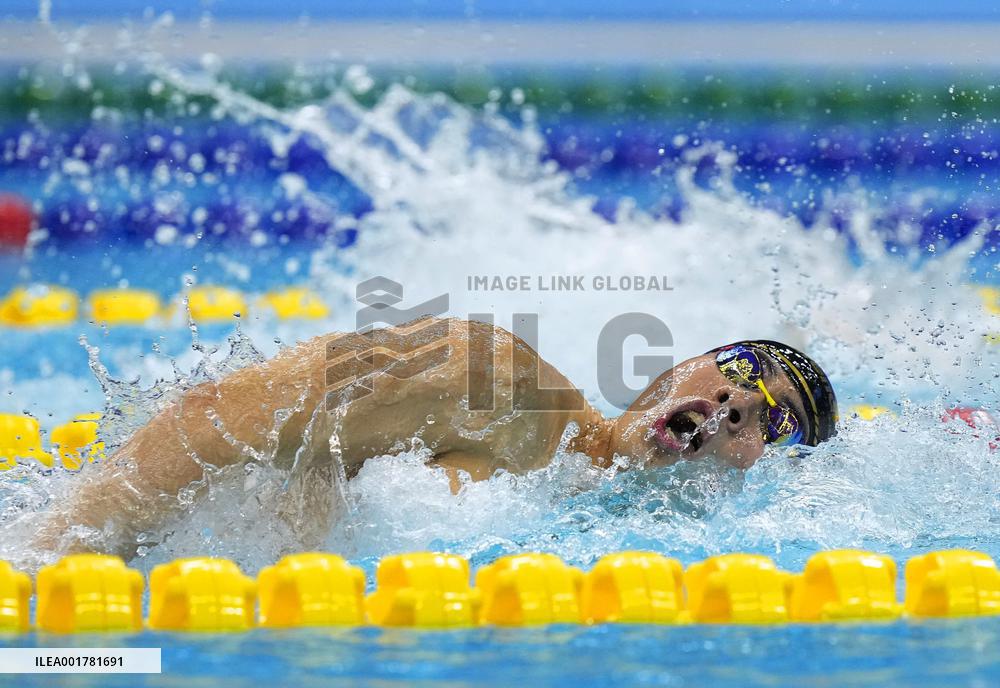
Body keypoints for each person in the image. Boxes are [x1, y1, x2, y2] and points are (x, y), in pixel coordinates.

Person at [38, 317, 837, 559]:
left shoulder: (647, 547)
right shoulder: (497, 380)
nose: (739, 403)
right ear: (689, 363)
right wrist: (54, 553)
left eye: (776, 420)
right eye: (741, 368)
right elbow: (223, 412)